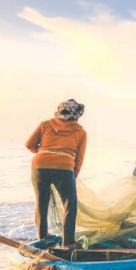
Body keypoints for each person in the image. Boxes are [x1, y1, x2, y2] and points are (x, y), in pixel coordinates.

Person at [25, 99, 87, 249]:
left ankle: (43, 237)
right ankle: (68, 242)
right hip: (64, 167)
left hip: (39, 166)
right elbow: (79, 157)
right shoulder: (80, 132)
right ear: (77, 115)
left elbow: (29, 144)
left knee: (41, 203)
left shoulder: (45, 125)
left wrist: (44, 153)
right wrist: (74, 173)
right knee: (69, 204)